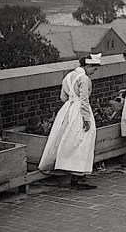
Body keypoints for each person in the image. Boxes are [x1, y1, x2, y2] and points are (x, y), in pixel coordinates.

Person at [38, 53, 101, 190]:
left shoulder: (69, 76)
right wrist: (86, 118)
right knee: (82, 141)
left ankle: (71, 171)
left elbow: (63, 97)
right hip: (80, 110)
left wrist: (71, 104)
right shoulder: (84, 79)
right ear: (88, 65)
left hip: (69, 109)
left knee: (68, 139)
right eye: (94, 69)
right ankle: (79, 177)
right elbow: (84, 99)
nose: (94, 73)